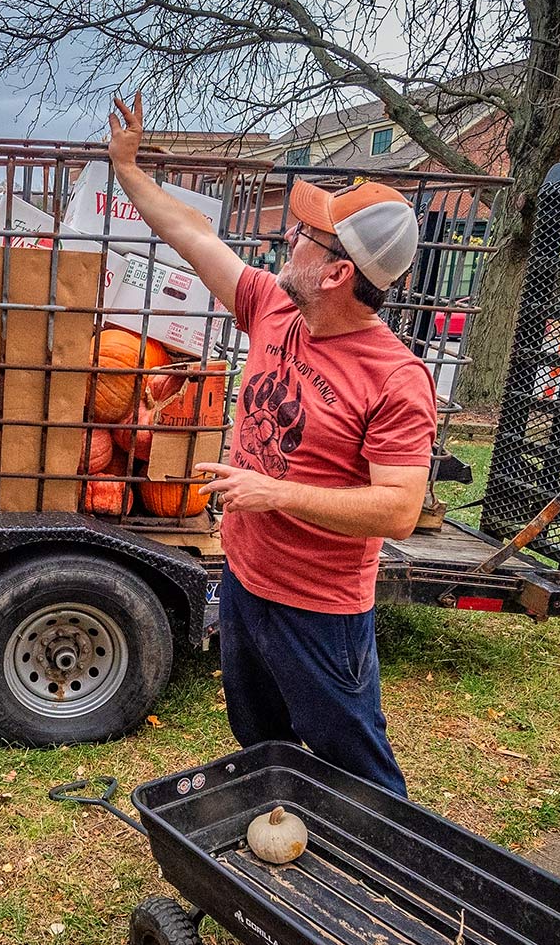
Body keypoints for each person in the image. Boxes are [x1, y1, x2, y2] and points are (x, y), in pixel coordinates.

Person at [107, 94, 434, 796]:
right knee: (263, 744)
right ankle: (288, 861)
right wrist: (130, 173)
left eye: (308, 239)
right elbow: (195, 236)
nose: (292, 241)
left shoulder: (395, 378)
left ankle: (390, 889)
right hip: (247, 586)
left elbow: (400, 509)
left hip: (319, 613)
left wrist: (273, 493)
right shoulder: (274, 306)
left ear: (339, 272)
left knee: (361, 773)